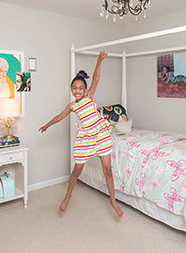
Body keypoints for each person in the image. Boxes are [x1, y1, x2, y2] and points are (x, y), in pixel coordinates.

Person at [39, 51, 123, 218]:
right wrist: (47, 125)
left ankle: (113, 201)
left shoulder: (90, 97)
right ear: (71, 89)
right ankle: (67, 196)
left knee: (108, 170)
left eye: (80, 88)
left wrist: (99, 60)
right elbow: (59, 116)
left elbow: (96, 78)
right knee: (77, 171)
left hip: (101, 136)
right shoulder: (72, 106)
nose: (77, 91)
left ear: (85, 90)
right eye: (74, 88)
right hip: (86, 139)